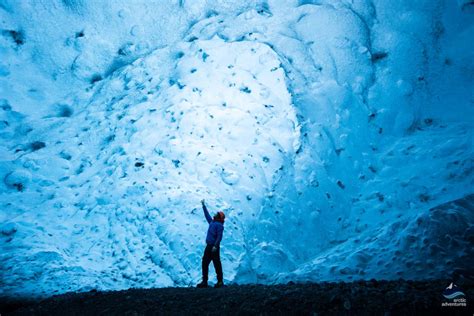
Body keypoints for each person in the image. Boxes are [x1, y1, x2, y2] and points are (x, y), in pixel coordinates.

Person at [196, 199, 225, 288]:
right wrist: (203, 206)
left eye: (217, 214)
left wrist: (215, 246)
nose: (215, 214)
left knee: (216, 263)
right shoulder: (212, 222)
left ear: (219, 217)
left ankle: (218, 281)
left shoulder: (219, 225)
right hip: (209, 246)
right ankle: (206, 281)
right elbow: (207, 215)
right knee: (206, 262)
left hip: (213, 247)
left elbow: (219, 237)